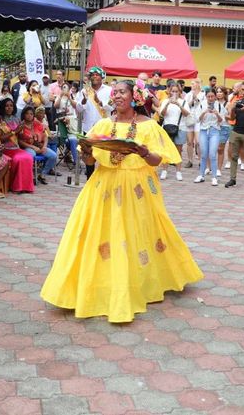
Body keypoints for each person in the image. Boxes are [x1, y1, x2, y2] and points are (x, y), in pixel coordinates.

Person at [40, 79, 203, 322]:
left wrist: (144, 152)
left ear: (134, 96)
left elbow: (159, 160)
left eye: (122, 92)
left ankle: (139, 283)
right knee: (103, 234)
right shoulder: (103, 124)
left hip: (136, 189)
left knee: (136, 233)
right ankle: (102, 286)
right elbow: (91, 162)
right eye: (114, 92)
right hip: (104, 186)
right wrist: (86, 151)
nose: (116, 96)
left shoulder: (149, 126)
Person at [75, 67, 113, 178]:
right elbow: (79, 109)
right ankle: (89, 179)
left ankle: (104, 178)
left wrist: (99, 102)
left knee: (104, 154)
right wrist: (83, 101)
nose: (95, 76)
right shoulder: (84, 90)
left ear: (102, 77)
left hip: (104, 128)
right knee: (88, 154)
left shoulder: (109, 90)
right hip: (89, 128)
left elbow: (112, 108)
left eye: (97, 74)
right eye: (92, 75)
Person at [0, 98, 35, 194]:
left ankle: (26, 187)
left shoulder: (16, 119)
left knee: (28, 157)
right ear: (3, 107)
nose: (9, 108)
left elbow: (19, 135)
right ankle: (16, 186)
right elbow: (0, 139)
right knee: (18, 159)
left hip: (16, 147)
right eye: (7, 106)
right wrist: (15, 131)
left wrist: (25, 133)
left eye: (11, 106)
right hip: (5, 148)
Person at [194, 89, 226, 186]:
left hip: (215, 131)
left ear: (215, 96)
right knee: (203, 153)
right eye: (209, 96)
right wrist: (204, 112)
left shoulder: (219, 105)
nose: (211, 99)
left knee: (212, 154)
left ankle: (214, 177)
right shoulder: (201, 104)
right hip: (203, 130)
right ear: (206, 96)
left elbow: (222, 121)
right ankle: (201, 175)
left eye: (212, 96)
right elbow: (197, 120)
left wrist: (217, 114)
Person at [17, 106, 58, 184]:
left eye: (31, 114)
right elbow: (19, 141)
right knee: (31, 155)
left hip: (40, 146)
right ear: (23, 115)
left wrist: (45, 146)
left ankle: (42, 175)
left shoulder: (36, 123)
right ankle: (30, 177)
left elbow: (45, 135)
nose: (29, 115)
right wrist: (32, 147)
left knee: (53, 156)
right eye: (27, 114)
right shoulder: (21, 126)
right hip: (27, 147)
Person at [158, 83, 189, 181]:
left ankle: (178, 171)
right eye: (173, 91)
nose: (174, 93)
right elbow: (162, 114)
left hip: (180, 128)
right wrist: (168, 103)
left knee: (178, 150)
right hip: (167, 127)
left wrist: (179, 105)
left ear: (180, 92)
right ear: (169, 91)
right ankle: (164, 170)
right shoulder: (165, 101)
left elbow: (186, 114)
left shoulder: (183, 102)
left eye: (176, 91)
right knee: (166, 150)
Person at [183, 79, 205, 168]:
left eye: (193, 83)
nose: (192, 85)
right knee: (189, 142)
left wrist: (198, 99)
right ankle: (190, 160)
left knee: (198, 142)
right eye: (191, 84)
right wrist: (192, 101)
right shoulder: (188, 95)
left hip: (199, 120)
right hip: (189, 118)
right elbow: (184, 106)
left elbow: (204, 105)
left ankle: (200, 160)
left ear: (198, 84)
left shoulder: (203, 94)